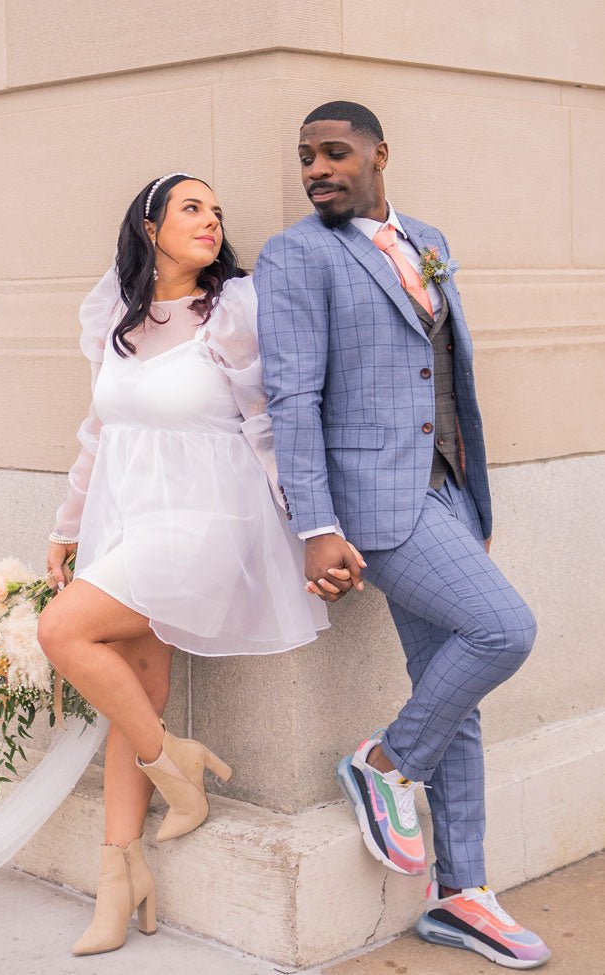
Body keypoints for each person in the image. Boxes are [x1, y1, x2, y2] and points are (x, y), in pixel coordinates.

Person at [254, 102, 551, 969]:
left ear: (380, 155)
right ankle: (386, 759)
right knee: (504, 629)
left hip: (450, 489)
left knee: (452, 691)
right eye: (306, 156)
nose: (317, 168)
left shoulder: (427, 237)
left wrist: (474, 504)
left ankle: (462, 895)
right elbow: (293, 399)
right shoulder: (296, 254)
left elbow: (448, 371)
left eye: (335, 152)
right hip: (376, 506)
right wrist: (316, 525)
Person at [38, 172, 363, 956]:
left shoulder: (236, 308)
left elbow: (271, 424)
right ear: (149, 226)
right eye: (192, 207)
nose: (211, 220)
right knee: (136, 689)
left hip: (209, 526)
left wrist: (313, 528)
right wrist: (67, 527)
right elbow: (98, 432)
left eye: (217, 211)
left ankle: (174, 762)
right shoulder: (114, 313)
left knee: (64, 631)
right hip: (131, 522)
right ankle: (121, 877)